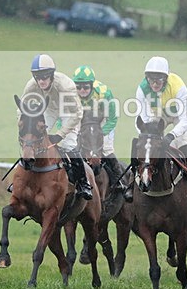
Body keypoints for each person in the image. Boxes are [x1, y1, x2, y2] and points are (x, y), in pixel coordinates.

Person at [18, 53, 92, 200]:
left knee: (68, 145)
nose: (41, 81)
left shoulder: (66, 86)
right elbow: (22, 109)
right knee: (32, 136)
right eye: (38, 77)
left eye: (44, 77)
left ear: (51, 75)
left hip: (69, 111)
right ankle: (23, 177)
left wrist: (60, 134)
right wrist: (22, 126)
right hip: (50, 110)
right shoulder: (31, 85)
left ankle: (84, 183)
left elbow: (77, 114)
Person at [131, 56, 187, 201]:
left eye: (158, 79)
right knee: (144, 145)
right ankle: (131, 182)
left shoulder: (177, 86)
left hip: (179, 116)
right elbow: (144, 118)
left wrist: (171, 135)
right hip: (157, 116)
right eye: (151, 79)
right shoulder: (142, 89)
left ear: (165, 78)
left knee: (182, 144)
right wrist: (150, 136)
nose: (154, 83)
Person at [71, 64, 128, 199]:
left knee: (106, 148)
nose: (82, 90)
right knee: (72, 146)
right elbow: (64, 118)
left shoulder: (104, 93)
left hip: (102, 120)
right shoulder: (70, 94)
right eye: (79, 87)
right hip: (80, 120)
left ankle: (118, 180)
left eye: (85, 86)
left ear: (91, 85)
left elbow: (112, 118)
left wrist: (100, 133)